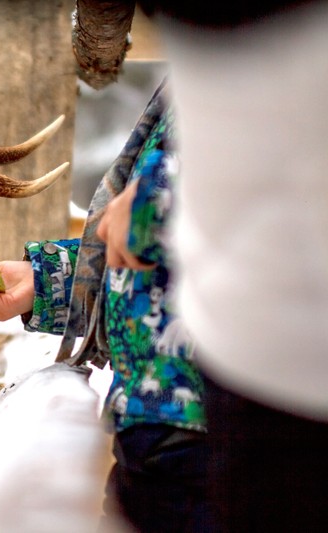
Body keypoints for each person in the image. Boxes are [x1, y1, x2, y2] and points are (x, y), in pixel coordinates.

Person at [0, 82, 214, 532]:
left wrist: (155, 196)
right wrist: (45, 280)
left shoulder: (285, 50)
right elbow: (169, 265)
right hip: (158, 426)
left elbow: (281, 186)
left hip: (232, 439)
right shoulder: (207, 68)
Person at [127, 2, 328, 531]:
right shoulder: (175, 99)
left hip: (268, 400)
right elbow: (205, 230)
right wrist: (49, 280)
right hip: (208, 398)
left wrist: (154, 196)